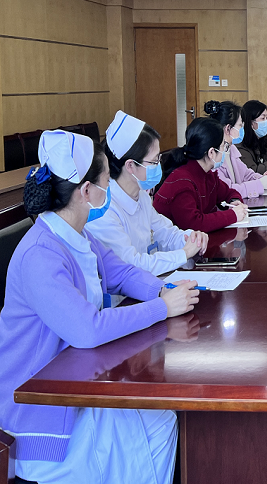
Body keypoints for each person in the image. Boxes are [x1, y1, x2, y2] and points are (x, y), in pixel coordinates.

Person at [0, 129, 199, 484]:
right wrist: (161, 308)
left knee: (162, 422)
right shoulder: (40, 255)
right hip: (44, 412)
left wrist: (164, 290)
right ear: (86, 191)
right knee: (156, 430)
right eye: (107, 179)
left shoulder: (77, 235)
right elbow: (88, 329)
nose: (111, 187)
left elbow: (120, 273)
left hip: (76, 381)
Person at [86, 111, 209, 278]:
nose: (158, 165)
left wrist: (190, 238)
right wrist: (183, 254)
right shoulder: (103, 208)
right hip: (123, 292)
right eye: (154, 161)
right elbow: (131, 264)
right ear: (130, 166)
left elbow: (164, 232)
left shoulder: (140, 194)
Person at [154, 117, 248, 232]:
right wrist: (232, 215)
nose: (225, 151)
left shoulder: (207, 175)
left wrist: (233, 201)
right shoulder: (182, 181)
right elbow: (194, 224)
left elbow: (229, 193)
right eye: (224, 146)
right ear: (211, 152)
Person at [204, 100, 267, 198]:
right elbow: (227, 190)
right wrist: (260, 184)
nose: (243, 129)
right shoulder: (214, 154)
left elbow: (245, 174)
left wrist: (263, 178)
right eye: (240, 125)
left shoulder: (231, 148)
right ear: (228, 128)